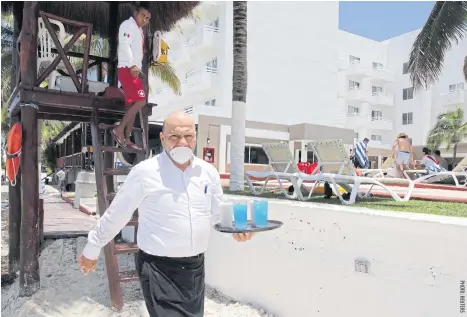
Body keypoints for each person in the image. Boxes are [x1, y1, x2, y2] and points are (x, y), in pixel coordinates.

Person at [77, 111, 254, 317]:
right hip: (158, 268)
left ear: (195, 137)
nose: (182, 143)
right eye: (174, 136)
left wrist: (235, 229)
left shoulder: (208, 173)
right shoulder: (145, 172)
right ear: (162, 139)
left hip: (195, 267)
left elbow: (217, 214)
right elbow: (118, 213)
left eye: (188, 136)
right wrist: (93, 246)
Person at [111, 5, 151, 151]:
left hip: (134, 70)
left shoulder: (139, 30)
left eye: (147, 18)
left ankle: (127, 139)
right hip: (127, 68)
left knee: (134, 104)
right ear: (136, 13)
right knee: (141, 101)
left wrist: (138, 67)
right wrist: (133, 65)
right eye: (143, 16)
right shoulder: (127, 25)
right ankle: (118, 130)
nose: (145, 20)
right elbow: (124, 45)